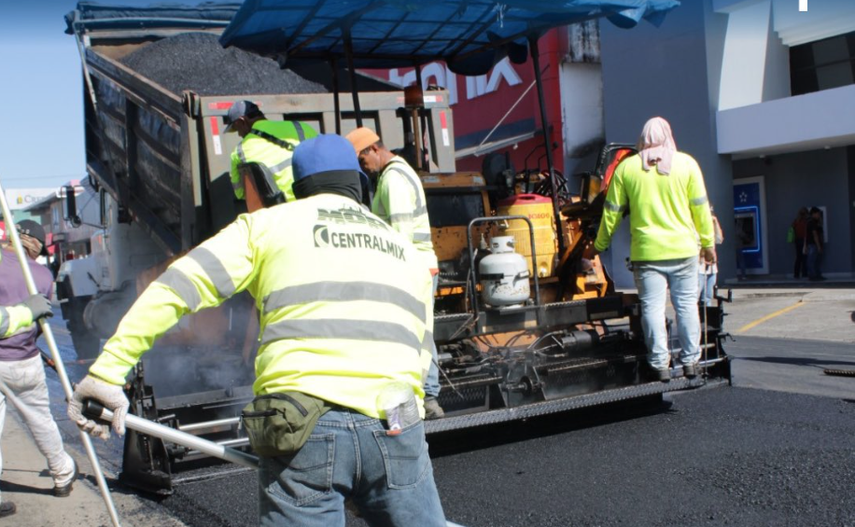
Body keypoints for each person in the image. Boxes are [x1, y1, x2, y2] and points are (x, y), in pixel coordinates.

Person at [68, 134, 446, 527]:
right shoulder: (404, 250)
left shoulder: (267, 225)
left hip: (303, 426)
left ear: (298, 188)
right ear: (359, 183)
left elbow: (176, 288)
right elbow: (421, 347)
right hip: (397, 423)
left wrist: (108, 371)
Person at [583, 117, 715, 381]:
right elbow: (701, 208)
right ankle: (690, 362)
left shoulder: (627, 169)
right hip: (684, 250)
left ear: (642, 140)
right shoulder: (687, 164)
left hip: (647, 254)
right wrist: (708, 244)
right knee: (686, 307)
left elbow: (612, 214)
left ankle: (660, 365)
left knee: (653, 309)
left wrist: (597, 247)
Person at [345, 127, 444, 419]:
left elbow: (400, 237)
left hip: (413, 268)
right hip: (420, 266)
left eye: (363, 161)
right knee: (419, 331)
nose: (364, 168)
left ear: (373, 150)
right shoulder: (398, 173)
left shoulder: (394, 181)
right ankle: (425, 396)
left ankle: (428, 398)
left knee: (416, 333)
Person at [0, 220, 79, 520]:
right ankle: (61, 475)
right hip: (25, 362)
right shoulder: (43, 276)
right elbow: (40, 323)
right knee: (41, 420)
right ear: (36, 246)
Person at [226, 100, 318, 203]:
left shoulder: (240, 151)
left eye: (237, 129)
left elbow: (241, 193)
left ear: (241, 121)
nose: (239, 134)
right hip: (319, 201)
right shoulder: (300, 127)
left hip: (285, 210)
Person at [698, 205, 723, 306]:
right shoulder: (697, 228)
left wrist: (715, 222)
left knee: (708, 296)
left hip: (711, 268)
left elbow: (719, 239)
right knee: (696, 296)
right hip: (699, 268)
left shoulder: (711, 230)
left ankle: (706, 320)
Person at [805, 206, 825, 281]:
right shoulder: (811, 223)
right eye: (817, 214)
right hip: (813, 244)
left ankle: (817, 274)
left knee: (817, 260)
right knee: (812, 260)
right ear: (813, 214)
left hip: (815, 244)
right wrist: (818, 246)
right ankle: (812, 275)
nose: (819, 215)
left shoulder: (816, 222)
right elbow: (815, 235)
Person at [791, 207, 809, 279]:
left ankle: (796, 274)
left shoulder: (796, 221)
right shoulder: (806, 221)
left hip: (797, 240)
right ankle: (804, 273)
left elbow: (792, 228)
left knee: (798, 258)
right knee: (804, 257)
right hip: (804, 240)